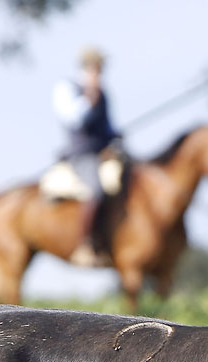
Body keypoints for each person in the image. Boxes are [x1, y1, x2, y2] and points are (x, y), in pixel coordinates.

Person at [53, 46, 120, 265]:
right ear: (86, 67)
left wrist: (115, 137)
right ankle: (84, 246)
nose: (98, 71)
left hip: (105, 153)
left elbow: (108, 128)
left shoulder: (104, 93)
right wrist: (89, 98)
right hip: (82, 155)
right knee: (97, 191)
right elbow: (74, 119)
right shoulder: (68, 88)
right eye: (95, 67)